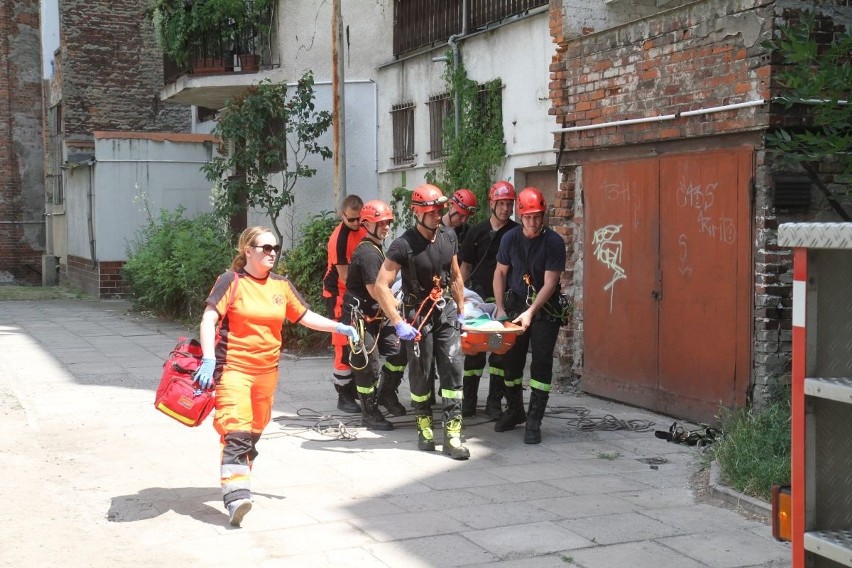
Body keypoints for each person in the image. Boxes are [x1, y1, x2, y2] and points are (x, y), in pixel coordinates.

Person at [193, 226, 359, 527]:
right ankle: (236, 497)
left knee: (254, 433)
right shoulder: (232, 281)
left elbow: (304, 316)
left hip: (267, 373)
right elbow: (209, 318)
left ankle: (239, 479)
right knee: (237, 430)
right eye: (265, 248)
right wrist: (207, 358)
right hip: (234, 370)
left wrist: (338, 326)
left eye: (275, 248)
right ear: (248, 251)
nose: (272, 253)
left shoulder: (281, 286)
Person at [373, 183, 470, 460]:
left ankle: (453, 435)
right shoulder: (403, 245)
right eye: (431, 211)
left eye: (440, 210)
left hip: (445, 312)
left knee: (453, 368)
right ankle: (424, 428)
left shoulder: (449, 236)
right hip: (417, 315)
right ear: (417, 213)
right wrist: (397, 320)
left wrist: (462, 310)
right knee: (421, 373)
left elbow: (455, 274)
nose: (437, 215)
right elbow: (381, 285)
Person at [493, 187, 566, 444]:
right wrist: (500, 308)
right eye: (528, 217)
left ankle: (534, 419)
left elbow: (550, 282)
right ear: (520, 216)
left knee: (541, 363)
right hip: (514, 305)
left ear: (543, 215)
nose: (533, 222)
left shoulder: (554, 242)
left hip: (545, 309)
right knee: (509, 361)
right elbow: (500, 273)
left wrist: (530, 312)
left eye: (537, 216)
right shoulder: (510, 239)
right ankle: (514, 410)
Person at [342, 200, 408, 429]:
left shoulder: (376, 248)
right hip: (359, 318)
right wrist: (396, 306)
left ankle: (386, 394)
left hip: (375, 315)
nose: (386, 227)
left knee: (399, 351)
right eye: (380, 223)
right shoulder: (369, 254)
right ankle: (369, 412)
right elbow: (375, 291)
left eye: (388, 222)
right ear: (366, 224)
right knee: (367, 365)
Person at [458, 180, 518, 419]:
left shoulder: (515, 233)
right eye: (501, 203)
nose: (505, 208)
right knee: (473, 351)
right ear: (492, 204)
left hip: (502, 301)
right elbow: (465, 266)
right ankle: (469, 401)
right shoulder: (476, 232)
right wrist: (459, 296)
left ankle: (494, 401)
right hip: (478, 300)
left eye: (509, 204)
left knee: (499, 353)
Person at [322, 195, 367, 414]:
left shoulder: (366, 228)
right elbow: (345, 277)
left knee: (359, 340)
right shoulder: (338, 240)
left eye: (360, 219)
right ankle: (343, 394)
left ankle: (357, 388)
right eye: (352, 220)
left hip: (359, 290)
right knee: (342, 342)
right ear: (342, 215)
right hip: (338, 293)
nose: (357, 223)